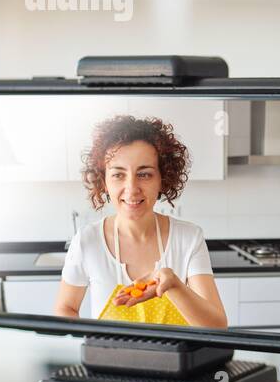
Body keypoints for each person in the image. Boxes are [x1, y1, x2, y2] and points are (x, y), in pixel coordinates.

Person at [53, 114, 227, 329]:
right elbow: (65, 308)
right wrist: (88, 342)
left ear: (163, 178)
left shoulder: (189, 238)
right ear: (104, 180)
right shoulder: (87, 241)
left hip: (175, 362)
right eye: (118, 174)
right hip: (108, 360)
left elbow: (217, 327)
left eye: (144, 174)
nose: (132, 188)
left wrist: (173, 285)